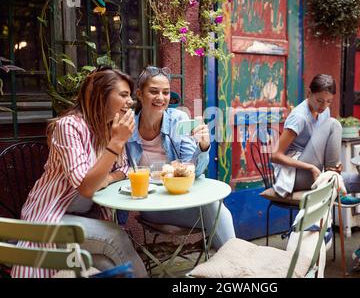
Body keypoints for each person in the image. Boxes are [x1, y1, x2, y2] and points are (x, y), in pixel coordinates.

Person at [11, 66, 147, 278]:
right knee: (115, 238)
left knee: (105, 261)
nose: (130, 101)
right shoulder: (69, 127)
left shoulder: (108, 127)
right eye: (123, 95)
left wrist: (106, 177)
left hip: (88, 215)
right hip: (52, 214)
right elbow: (85, 187)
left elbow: (124, 169)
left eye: (130, 96)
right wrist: (117, 141)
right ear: (101, 96)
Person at [271, 74, 360, 278]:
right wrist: (311, 167)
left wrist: (331, 167)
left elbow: (321, 148)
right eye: (319, 100)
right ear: (309, 93)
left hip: (319, 176)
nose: (323, 106)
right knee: (334, 124)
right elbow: (275, 156)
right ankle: (334, 184)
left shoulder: (324, 111)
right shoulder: (299, 116)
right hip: (295, 177)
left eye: (329, 101)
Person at [126, 66, 236, 250]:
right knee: (213, 211)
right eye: (153, 91)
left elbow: (194, 170)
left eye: (166, 92)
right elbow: (120, 169)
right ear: (139, 93)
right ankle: (234, 264)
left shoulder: (178, 119)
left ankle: (231, 263)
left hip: (182, 199)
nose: (161, 98)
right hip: (151, 205)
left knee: (213, 208)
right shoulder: (127, 125)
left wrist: (203, 147)